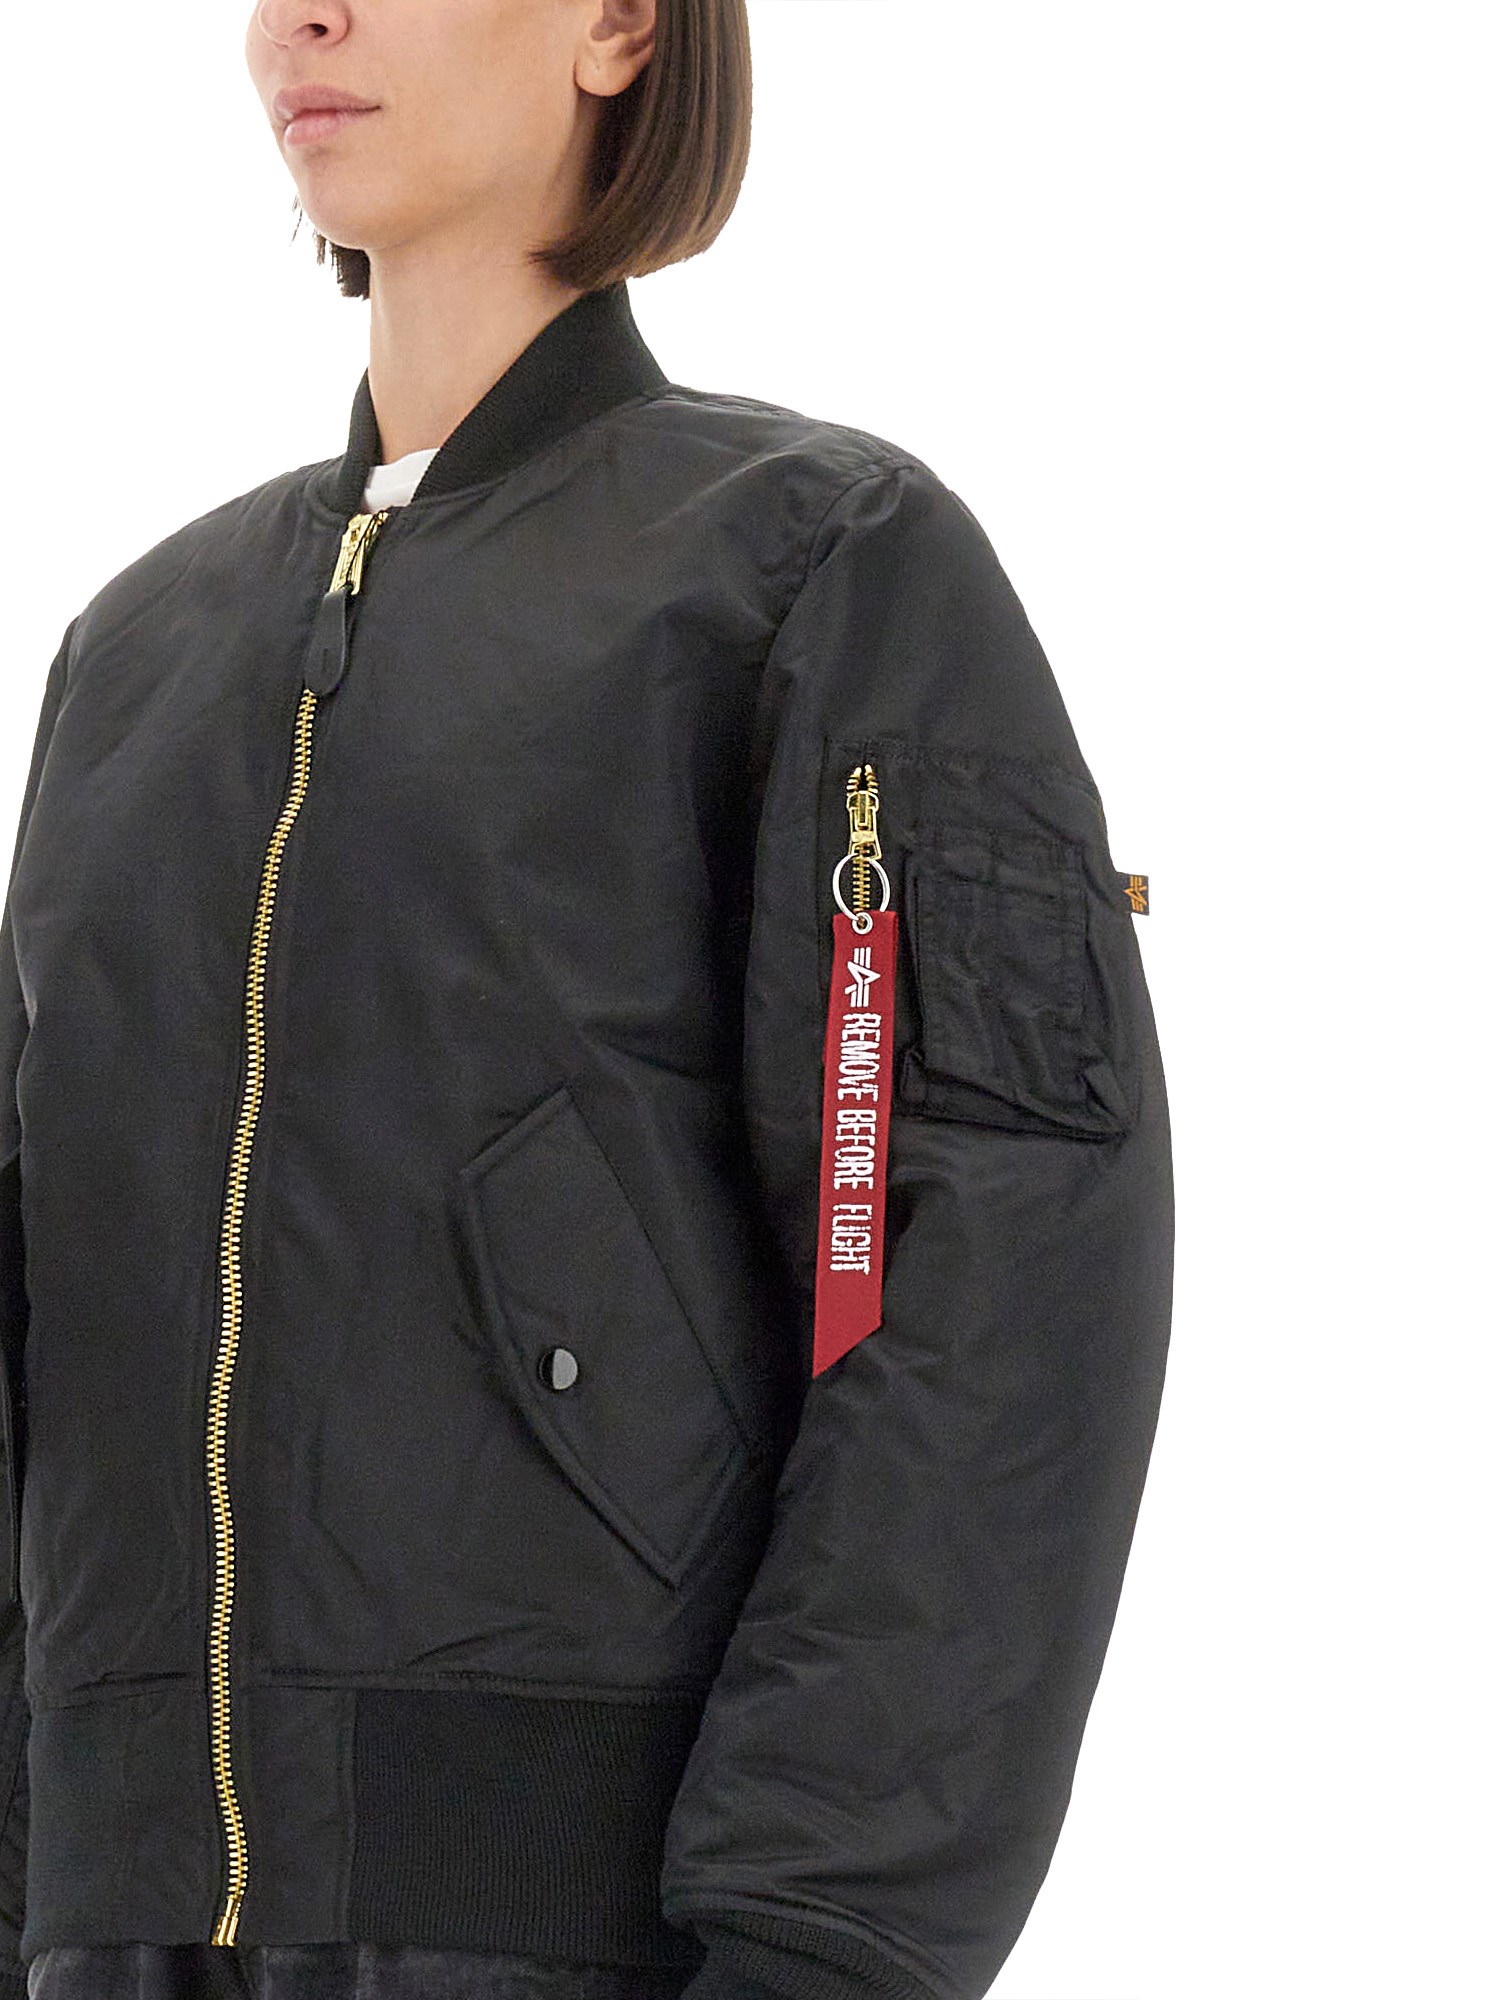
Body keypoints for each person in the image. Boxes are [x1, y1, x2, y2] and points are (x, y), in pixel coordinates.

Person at [0, 2, 1175, 1998]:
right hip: (112, 1928)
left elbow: (991, 1282)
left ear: (621, 24)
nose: (302, 16)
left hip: (587, 1932)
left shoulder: (816, 565)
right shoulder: (132, 658)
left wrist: (822, 1939)